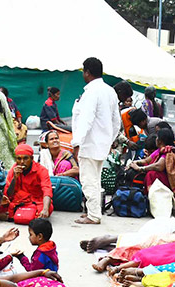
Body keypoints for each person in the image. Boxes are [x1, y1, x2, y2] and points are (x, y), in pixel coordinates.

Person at [70, 57, 119, 225]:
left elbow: (86, 120)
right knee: (95, 180)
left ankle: (93, 215)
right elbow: (116, 121)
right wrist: (110, 139)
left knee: (88, 180)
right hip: (102, 144)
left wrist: (77, 142)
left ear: (87, 72)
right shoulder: (110, 91)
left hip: (89, 144)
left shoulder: (92, 92)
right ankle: (94, 211)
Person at [126, 125, 175, 219]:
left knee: (151, 174)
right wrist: (135, 162)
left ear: (160, 141)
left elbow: (159, 166)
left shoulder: (168, 151)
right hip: (163, 179)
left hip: (168, 182)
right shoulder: (160, 150)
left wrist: (140, 169)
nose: (156, 139)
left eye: (157, 138)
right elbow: (147, 161)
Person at [2, 143, 51, 225]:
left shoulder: (41, 170)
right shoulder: (14, 170)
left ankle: (13, 216)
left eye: (25, 158)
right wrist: (15, 178)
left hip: (36, 202)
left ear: (32, 158)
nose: (22, 162)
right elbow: (8, 194)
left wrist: (45, 209)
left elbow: (47, 190)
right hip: (18, 201)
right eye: (19, 159)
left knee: (47, 208)